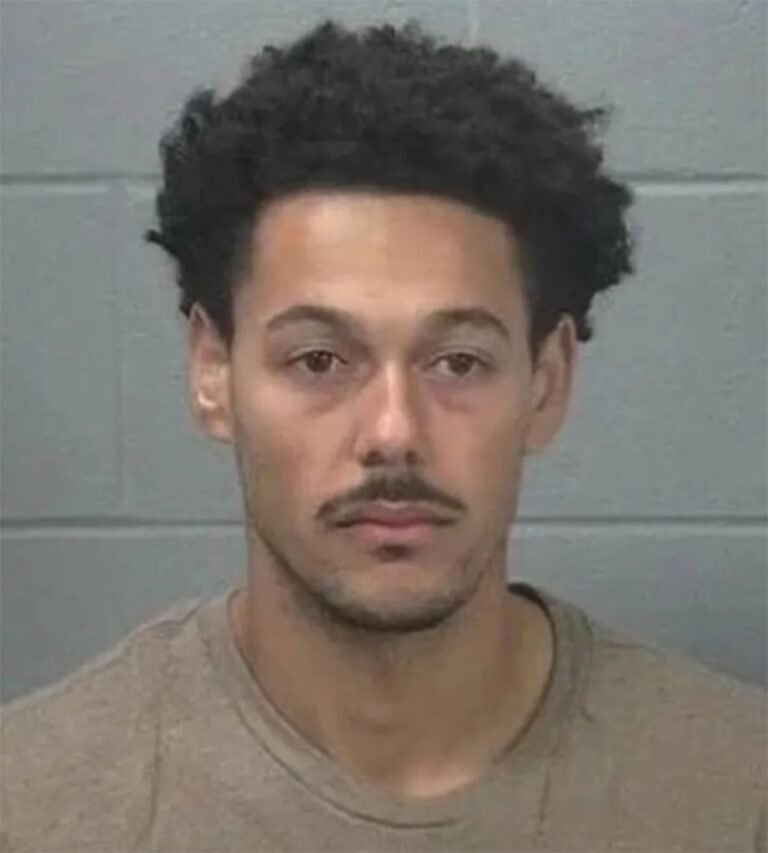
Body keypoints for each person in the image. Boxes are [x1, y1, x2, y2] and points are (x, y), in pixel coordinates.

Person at [1, 18, 765, 853]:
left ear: (546, 383)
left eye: (459, 362)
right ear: (212, 371)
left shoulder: (736, 792)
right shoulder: (35, 804)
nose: (394, 432)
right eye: (320, 359)